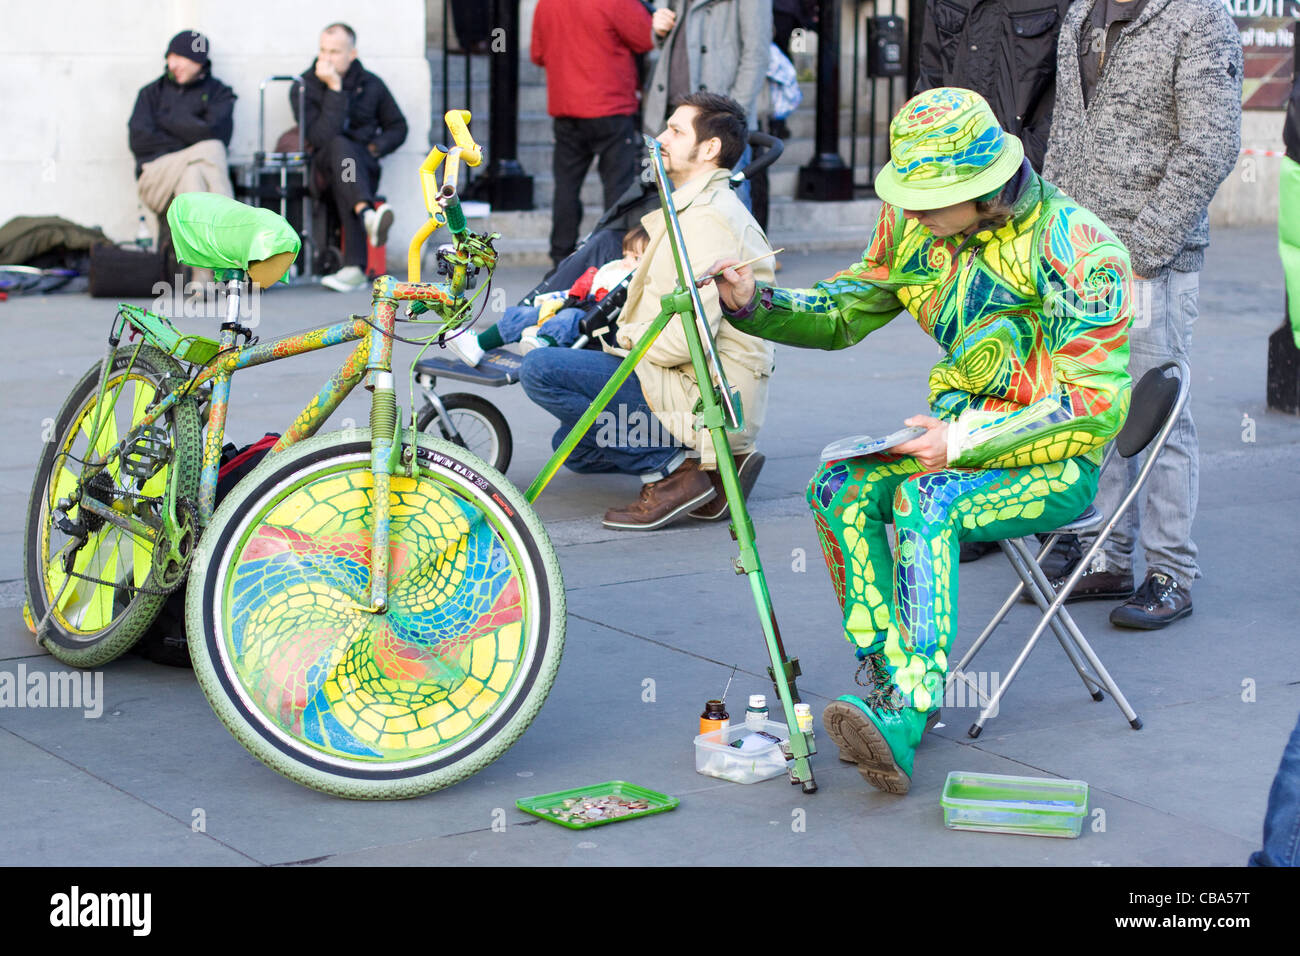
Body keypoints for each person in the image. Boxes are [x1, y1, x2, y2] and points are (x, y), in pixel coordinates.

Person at [707, 88, 1133, 795]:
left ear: (986, 189)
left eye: (929, 199)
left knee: (926, 500)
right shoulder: (914, 221)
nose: (910, 212)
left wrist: (966, 438)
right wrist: (756, 301)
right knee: (837, 486)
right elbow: (848, 308)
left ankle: (908, 708)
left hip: (1054, 458)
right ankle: (886, 678)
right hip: (950, 436)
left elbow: (1092, 405)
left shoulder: (1081, 247)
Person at [1042, 0, 1242, 629]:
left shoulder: (1199, 17)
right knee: (1094, 410)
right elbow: (1065, 135)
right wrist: (1046, 236)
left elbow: (1210, 145)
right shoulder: (1080, 13)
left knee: (1157, 416)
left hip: (1147, 260)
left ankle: (1171, 571)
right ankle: (1106, 555)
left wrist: (1142, 253)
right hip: (1076, 255)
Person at [520, 92, 775, 530]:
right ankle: (713, 471)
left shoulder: (709, 219)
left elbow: (689, 338)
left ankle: (680, 473)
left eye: (676, 131)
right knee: (575, 445)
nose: (660, 139)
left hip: (704, 391)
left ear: (709, 149)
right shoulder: (693, 208)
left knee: (541, 368)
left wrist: (622, 336)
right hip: (685, 378)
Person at [530, 0, 653, 268]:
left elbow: (538, 54)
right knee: (618, 190)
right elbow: (646, 38)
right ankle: (614, 257)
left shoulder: (545, 4)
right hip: (611, 107)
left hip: (566, 109)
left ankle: (560, 258)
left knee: (566, 188)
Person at [295, 22, 408, 293]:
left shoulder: (371, 84)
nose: (327, 58)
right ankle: (366, 219)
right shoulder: (304, 86)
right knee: (338, 146)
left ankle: (355, 266)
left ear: (352, 54)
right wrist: (334, 88)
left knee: (348, 168)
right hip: (323, 165)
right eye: (323, 50)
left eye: (335, 51)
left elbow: (398, 127)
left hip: (363, 163)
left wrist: (374, 148)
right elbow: (321, 137)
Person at [449, 225, 650, 364]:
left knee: (567, 318)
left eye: (636, 258)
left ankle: (543, 343)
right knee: (528, 314)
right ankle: (478, 345)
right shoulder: (613, 267)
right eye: (625, 254)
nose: (626, 261)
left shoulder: (638, 280)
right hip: (576, 300)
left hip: (593, 316)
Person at [643, 0, 773, 209]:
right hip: (670, 117)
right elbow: (664, 44)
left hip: (716, 127)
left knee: (724, 211)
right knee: (669, 213)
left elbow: (756, 56)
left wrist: (728, 121)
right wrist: (658, 31)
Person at [915, 0, 1070, 173]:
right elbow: (931, 77)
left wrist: (1024, 166)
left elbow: (1069, 96)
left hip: (1025, 174)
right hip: (952, 171)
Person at [128, 31, 236, 222]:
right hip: (155, 177)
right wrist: (193, 136)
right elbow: (139, 141)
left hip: (195, 173)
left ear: (199, 61)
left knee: (192, 174)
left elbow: (219, 134)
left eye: (179, 57)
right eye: (170, 57)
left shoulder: (220, 94)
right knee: (211, 148)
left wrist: (166, 121)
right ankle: (230, 224)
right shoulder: (151, 93)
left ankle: (199, 244)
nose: (172, 64)